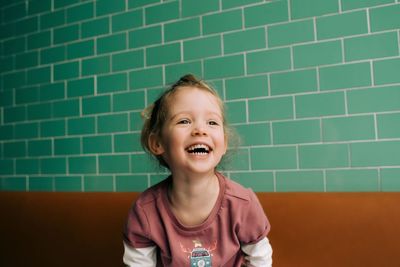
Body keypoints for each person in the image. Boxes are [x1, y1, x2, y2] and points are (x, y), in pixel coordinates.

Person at [123, 74, 272, 266]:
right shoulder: (145, 212)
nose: (200, 130)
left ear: (224, 143)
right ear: (157, 143)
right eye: (184, 121)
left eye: (212, 122)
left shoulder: (242, 204)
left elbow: (260, 260)